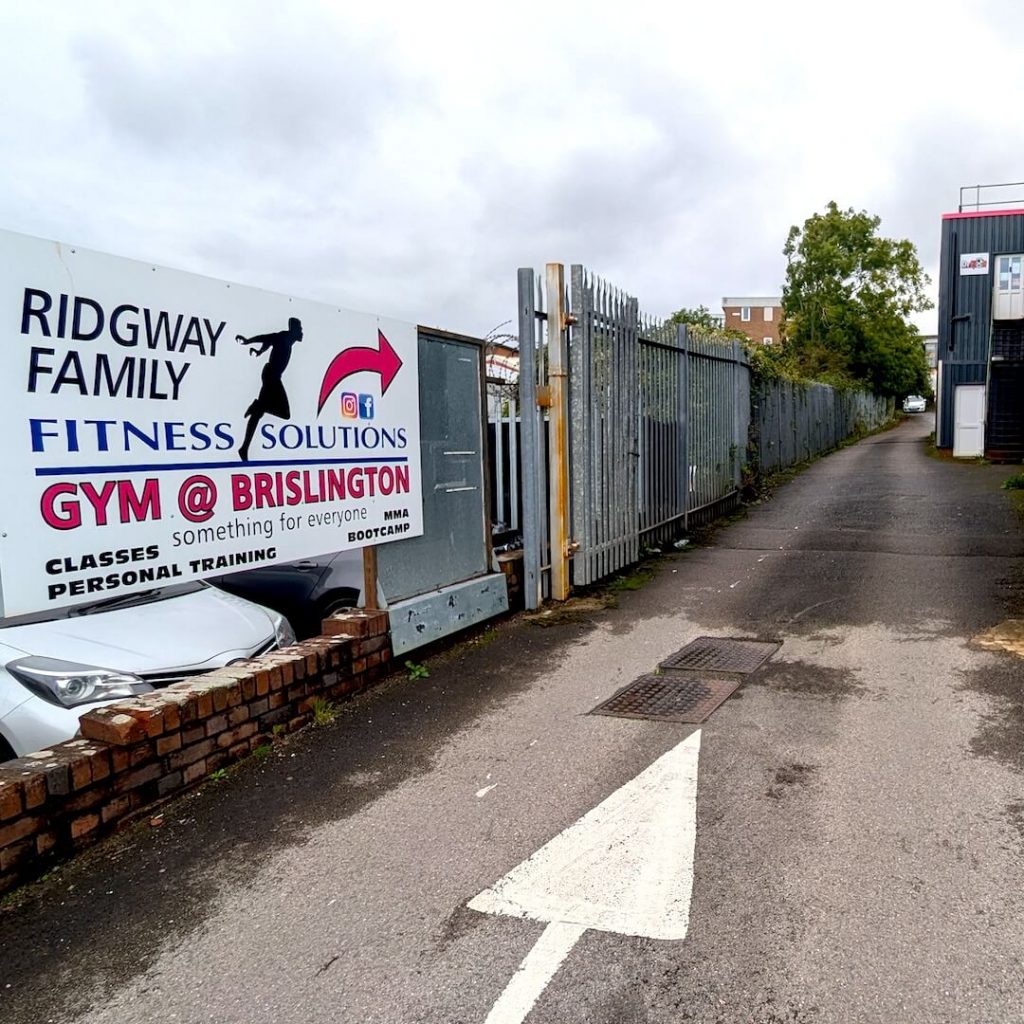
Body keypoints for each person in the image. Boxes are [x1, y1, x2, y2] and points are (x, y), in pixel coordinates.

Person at [236, 317, 303, 462]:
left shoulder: (289, 340)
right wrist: (248, 341)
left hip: (272, 376)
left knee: (260, 412)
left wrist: (260, 352)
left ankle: (244, 447)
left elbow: (268, 342)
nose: (302, 331)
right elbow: (266, 338)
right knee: (284, 413)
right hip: (271, 376)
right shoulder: (284, 337)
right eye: (300, 328)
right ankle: (258, 406)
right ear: (294, 329)